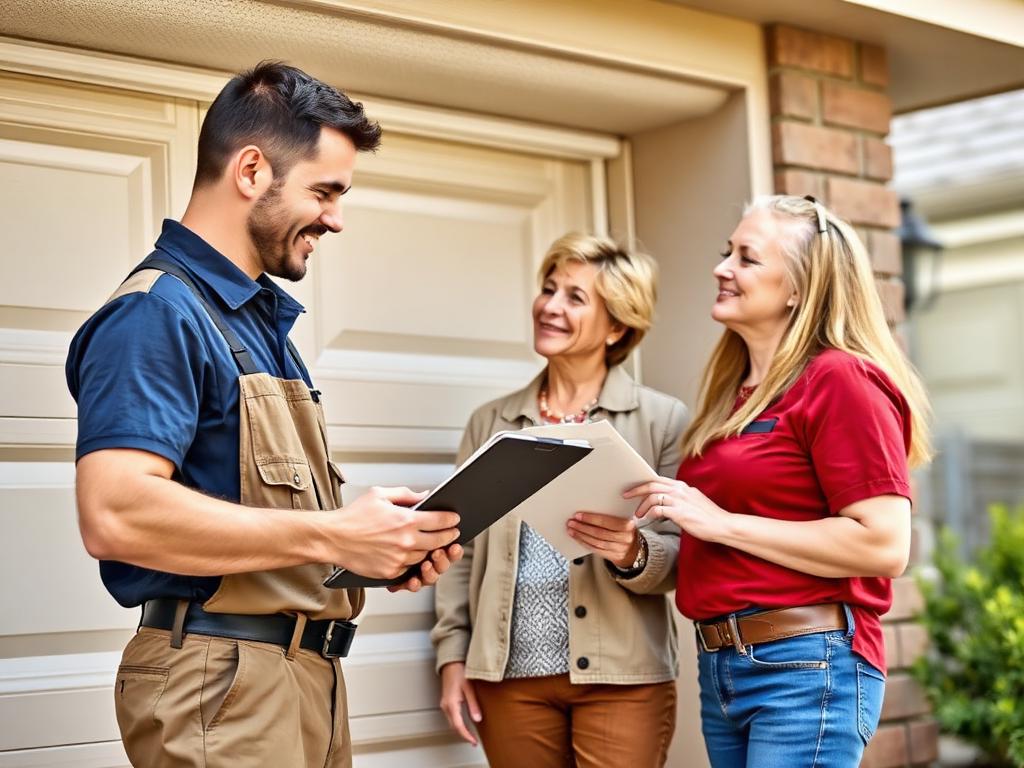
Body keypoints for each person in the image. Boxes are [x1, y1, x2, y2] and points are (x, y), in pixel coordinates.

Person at [65, 61, 462, 768]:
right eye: (325, 191)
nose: (337, 219)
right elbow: (116, 513)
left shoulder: (255, 324)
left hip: (298, 682)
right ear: (251, 170)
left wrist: (378, 545)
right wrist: (337, 533)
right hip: (224, 687)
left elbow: (269, 530)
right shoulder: (157, 314)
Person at [625, 195, 932, 768]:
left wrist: (720, 523)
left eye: (746, 258)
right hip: (723, 666)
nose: (722, 268)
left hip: (807, 667)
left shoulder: (841, 380)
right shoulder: (731, 395)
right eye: (726, 253)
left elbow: (885, 545)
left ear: (798, 287)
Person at [432, 233, 688, 768]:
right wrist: (452, 656)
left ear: (617, 325)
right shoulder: (491, 422)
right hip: (509, 677)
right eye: (549, 289)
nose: (550, 306)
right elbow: (459, 550)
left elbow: (685, 556)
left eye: (576, 297)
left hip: (623, 678)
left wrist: (632, 552)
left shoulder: (663, 421)